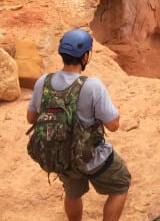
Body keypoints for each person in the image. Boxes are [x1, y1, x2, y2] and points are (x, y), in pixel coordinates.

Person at [27, 29, 131, 221]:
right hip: (91, 157)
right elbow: (113, 125)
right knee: (121, 184)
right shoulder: (92, 85)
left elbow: (30, 118)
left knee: (72, 193)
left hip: (62, 157)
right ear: (85, 56)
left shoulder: (43, 81)